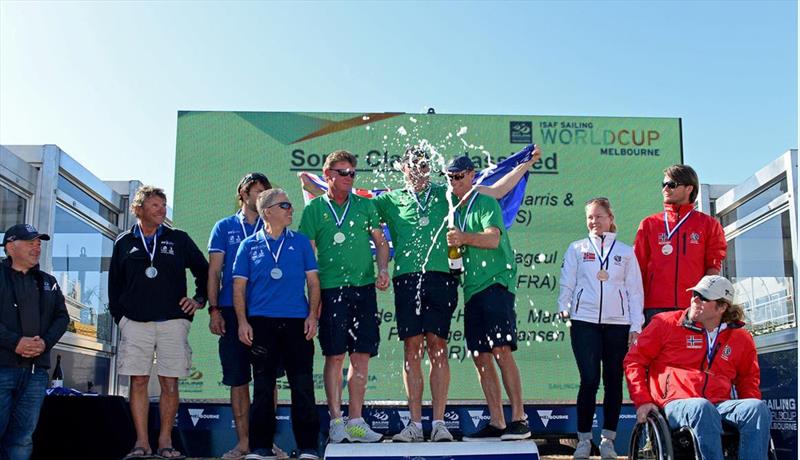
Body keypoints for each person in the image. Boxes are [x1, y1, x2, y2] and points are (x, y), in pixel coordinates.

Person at [373, 145, 541, 442]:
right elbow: (355, 206)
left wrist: (524, 165)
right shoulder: (390, 199)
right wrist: (320, 187)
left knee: (447, 347)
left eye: (424, 165)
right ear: (402, 168)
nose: (419, 170)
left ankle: (442, 423)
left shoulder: (448, 194)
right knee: (457, 352)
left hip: (452, 280)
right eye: (412, 165)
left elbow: (497, 190)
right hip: (426, 282)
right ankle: (417, 424)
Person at [109, 186, 209, 460]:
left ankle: (165, 441)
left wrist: (199, 300)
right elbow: (114, 287)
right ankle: (141, 442)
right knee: (138, 380)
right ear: (138, 209)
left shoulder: (179, 239)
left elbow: (204, 271)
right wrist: (122, 319)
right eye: (155, 205)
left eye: (164, 205)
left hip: (172, 322)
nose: (162, 210)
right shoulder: (124, 241)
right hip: (136, 323)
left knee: (169, 383)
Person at [624, 275, 771, 460]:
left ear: (722, 307)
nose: (695, 299)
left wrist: (747, 407)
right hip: (675, 403)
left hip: (719, 404)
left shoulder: (741, 338)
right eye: (695, 293)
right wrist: (643, 400)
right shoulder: (665, 323)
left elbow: (748, 380)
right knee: (702, 407)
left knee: (757, 408)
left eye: (703, 297)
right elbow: (634, 361)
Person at [298, 149, 390, 443]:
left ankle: (356, 420)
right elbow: (307, 254)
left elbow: (381, 241)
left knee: (361, 356)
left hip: (362, 288)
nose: (349, 178)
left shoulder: (365, 206)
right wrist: (313, 299)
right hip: (330, 289)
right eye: (343, 173)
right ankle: (336, 421)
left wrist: (383, 267)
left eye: (352, 173)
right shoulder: (314, 210)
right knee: (335, 355)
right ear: (328, 176)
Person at [445, 156, 530, 441]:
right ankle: (497, 421)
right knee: (480, 356)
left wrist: (463, 239)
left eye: (458, 175)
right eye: (449, 176)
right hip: (472, 289)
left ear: (471, 175)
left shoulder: (484, 201)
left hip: (496, 283)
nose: (453, 181)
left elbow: (492, 238)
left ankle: (519, 418)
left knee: (501, 350)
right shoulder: (455, 211)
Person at [233, 189, 321, 460]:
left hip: (297, 322)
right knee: (262, 386)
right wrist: (242, 322)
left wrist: (312, 316)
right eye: (285, 205)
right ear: (267, 211)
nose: (290, 209)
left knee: (303, 386)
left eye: (290, 205)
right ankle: (260, 447)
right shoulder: (249, 245)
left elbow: (314, 283)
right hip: (261, 324)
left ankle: (308, 447)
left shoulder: (302, 242)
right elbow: (238, 287)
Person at [207, 172, 288, 460]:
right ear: (242, 193)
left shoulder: (275, 226)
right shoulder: (224, 227)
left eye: (265, 191)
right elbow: (214, 271)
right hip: (231, 310)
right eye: (255, 191)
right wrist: (214, 309)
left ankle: (265, 443)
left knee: (268, 380)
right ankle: (243, 443)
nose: (260, 196)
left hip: (267, 312)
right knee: (238, 379)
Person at [557, 198, 644, 459]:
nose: (594, 222)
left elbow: (634, 291)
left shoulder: (626, 252)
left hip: (618, 324)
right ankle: (584, 440)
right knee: (590, 379)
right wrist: (564, 305)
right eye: (590, 218)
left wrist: (636, 325)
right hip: (584, 322)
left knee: (613, 382)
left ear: (610, 217)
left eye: (598, 216)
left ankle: (608, 440)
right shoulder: (577, 248)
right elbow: (567, 281)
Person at [0, 224, 69, 460]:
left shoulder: (48, 281)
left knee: (22, 439)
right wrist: (14, 342)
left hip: (35, 374)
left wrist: (45, 343)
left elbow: (62, 317)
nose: (37, 247)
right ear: (10, 246)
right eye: (31, 242)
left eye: (39, 243)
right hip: (2, 369)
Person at [633, 165, 727, 326]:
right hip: (654, 306)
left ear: (689, 188)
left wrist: (704, 300)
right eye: (664, 185)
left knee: (690, 351)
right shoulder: (649, 224)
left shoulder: (708, 224)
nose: (666, 189)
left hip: (692, 305)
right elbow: (636, 269)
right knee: (655, 352)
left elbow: (713, 267)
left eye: (672, 184)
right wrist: (636, 308)